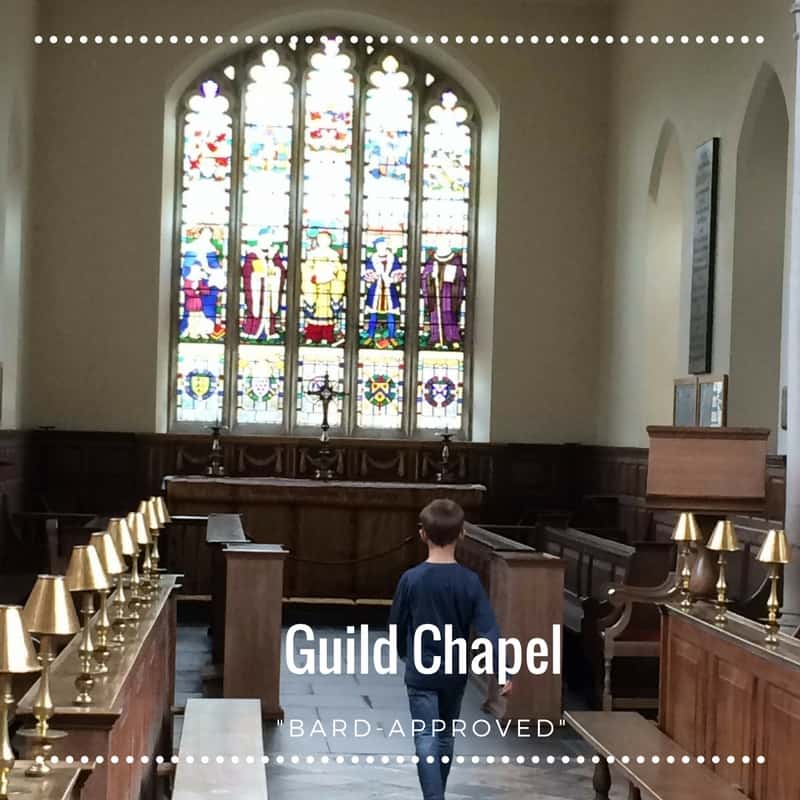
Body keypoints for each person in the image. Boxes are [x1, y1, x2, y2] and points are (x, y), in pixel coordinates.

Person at [389, 499, 512, 800]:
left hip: (421, 670)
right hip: (455, 671)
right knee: (444, 736)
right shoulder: (470, 582)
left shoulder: (411, 579)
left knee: (425, 736)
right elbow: (488, 630)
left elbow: (396, 624)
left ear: (422, 535)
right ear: (462, 535)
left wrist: (405, 654)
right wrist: (502, 670)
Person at [301, 230, 347, 344]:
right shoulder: (312, 254)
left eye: (327, 239)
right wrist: (313, 277)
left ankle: (327, 337)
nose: (324, 241)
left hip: (329, 289)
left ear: (330, 241)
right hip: (315, 289)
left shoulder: (334, 255)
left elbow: (340, 270)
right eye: (321, 239)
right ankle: (312, 336)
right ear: (317, 241)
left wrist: (335, 274)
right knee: (314, 314)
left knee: (328, 314)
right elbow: (306, 269)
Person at [363, 236, 404, 347]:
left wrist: (393, 278)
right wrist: (374, 275)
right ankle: (370, 336)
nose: (381, 247)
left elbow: (398, 271)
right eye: (378, 245)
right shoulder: (372, 258)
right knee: (373, 314)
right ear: (376, 247)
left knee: (391, 314)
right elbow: (367, 271)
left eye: (383, 245)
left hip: (389, 290)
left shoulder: (392, 258)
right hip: (375, 290)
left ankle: (392, 336)